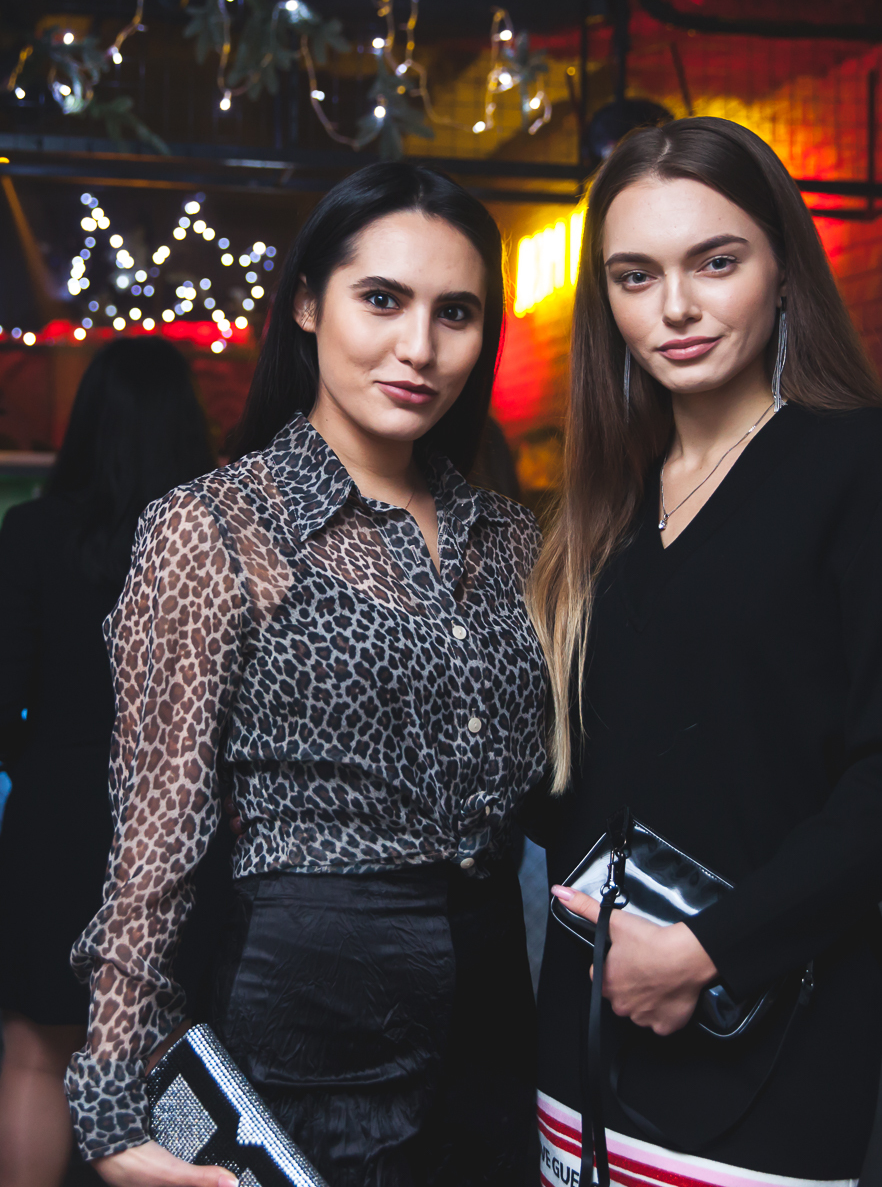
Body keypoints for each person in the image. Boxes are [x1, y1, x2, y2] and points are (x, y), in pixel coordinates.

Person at [70, 163, 551, 1187]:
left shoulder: (510, 539)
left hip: (494, 1014)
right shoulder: (217, 526)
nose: (418, 347)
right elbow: (156, 831)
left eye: (455, 313)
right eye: (381, 299)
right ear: (305, 304)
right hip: (309, 1018)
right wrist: (112, 1100)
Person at [526, 118, 882, 1186]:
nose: (674, 307)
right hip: (583, 1028)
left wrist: (709, 949)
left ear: (782, 268)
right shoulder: (605, 504)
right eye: (635, 276)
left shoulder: (869, 463)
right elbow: (584, 780)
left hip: (772, 1033)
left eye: (715, 262)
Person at [0, 338, 217, 1187]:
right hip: (187, 822)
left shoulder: (34, 531)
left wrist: (47, 763)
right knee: (175, 1060)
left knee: (36, 1054)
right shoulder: (220, 538)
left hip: (58, 816)